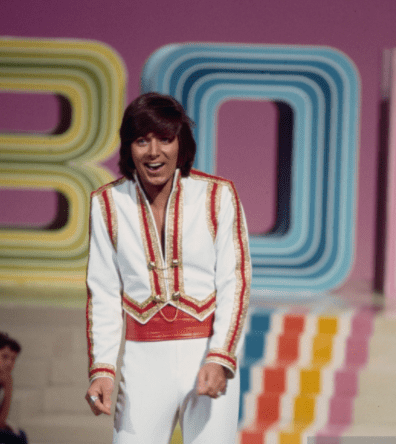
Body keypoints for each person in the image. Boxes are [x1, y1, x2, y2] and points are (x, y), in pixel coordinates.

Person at [85, 92, 251, 444]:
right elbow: (102, 293)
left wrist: (220, 357)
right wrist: (103, 369)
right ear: (129, 147)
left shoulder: (217, 196)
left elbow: (235, 283)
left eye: (165, 138)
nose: (154, 152)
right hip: (143, 359)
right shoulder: (106, 204)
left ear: (181, 143)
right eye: (142, 140)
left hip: (206, 352)